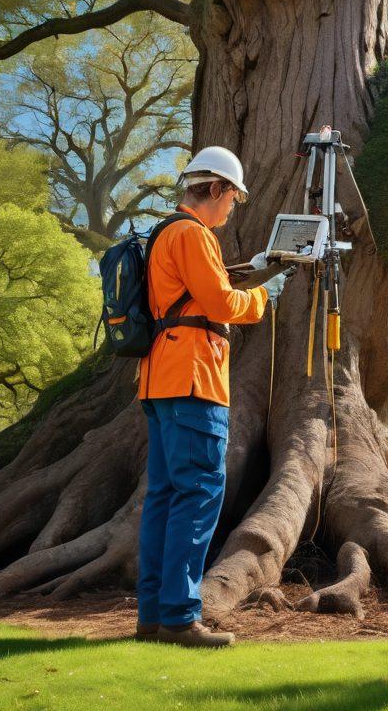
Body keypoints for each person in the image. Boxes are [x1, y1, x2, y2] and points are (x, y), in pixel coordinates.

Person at [135, 146, 287, 648]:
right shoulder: (194, 234)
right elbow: (223, 304)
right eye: (233, 199)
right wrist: (266, 293)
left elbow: (200, 292)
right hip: (194, 379)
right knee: (198, 495)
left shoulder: (165, 233)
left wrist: (257, 270)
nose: (231, 209)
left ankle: (155, 616)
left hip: (161, 378)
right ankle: (180, 617)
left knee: (164, 498)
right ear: (217, 189)